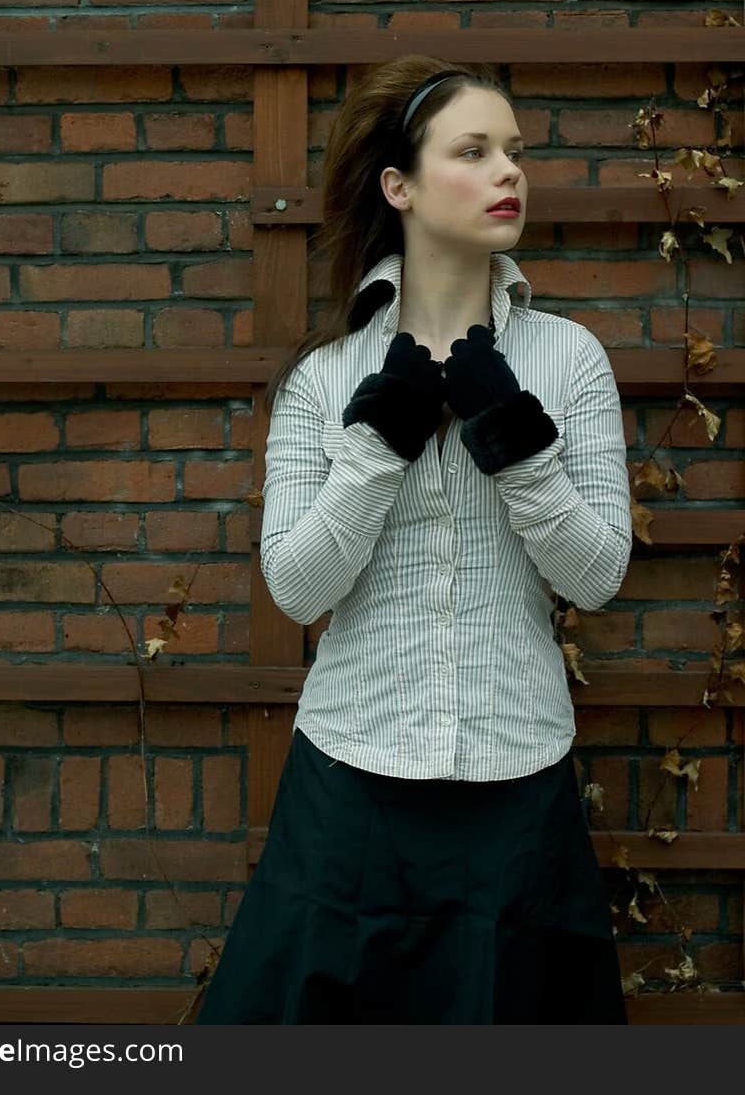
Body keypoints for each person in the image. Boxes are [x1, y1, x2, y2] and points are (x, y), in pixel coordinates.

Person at [195, 57, 633, 1025]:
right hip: (348, 786)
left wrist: (515, 445)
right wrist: (377, 448)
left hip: (516, 789)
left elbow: (599, 575)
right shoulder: (325, 378)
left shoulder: (569, 359)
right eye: (472, 150)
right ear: (399, 186)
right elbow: (297, 589)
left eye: (514, 151)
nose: (507, 171)